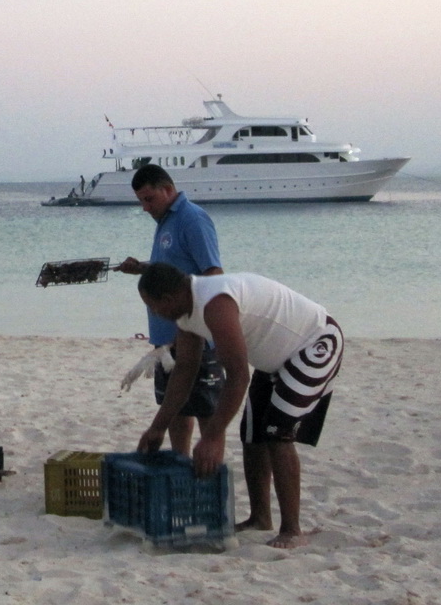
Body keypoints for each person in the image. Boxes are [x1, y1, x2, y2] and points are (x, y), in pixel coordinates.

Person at [136, 262, 344, 549]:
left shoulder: (216, 303)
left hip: (316, 341)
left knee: (277, 433)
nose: (154, 313)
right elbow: (184, 371)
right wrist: (157, 427)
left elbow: (238, 376)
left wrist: (212, 436)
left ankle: (292, 530)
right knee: (252, 434)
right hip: (274, 360)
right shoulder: (187, 316)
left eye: (153, 306)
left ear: (168, 299)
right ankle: (260, 518)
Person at [115, 164, 224, 457]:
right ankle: (180, 463)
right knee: (174, 407)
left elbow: (213, 274)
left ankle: (209, 467)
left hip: (194, 335)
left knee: (205, 408)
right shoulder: (165, 221)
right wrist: (142, 268)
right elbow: (173, 272)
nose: (145, 207)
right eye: (141, 201)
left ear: (167, 189)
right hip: (164, 338)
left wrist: (199, 324)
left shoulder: (192, 219)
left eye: (149, 199)